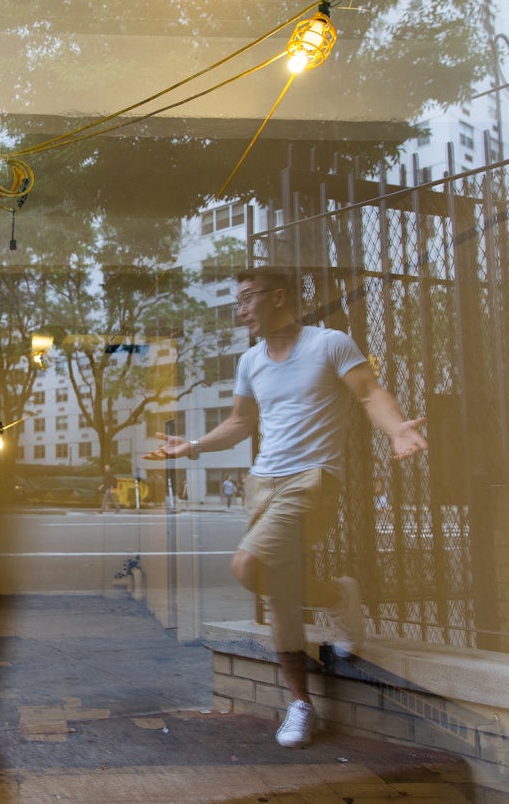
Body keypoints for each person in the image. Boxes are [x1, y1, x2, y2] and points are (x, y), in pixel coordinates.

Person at [144, 267, 426, 749]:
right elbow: (240, 421)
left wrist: (397, 428)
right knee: (277, 591)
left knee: (248, 565)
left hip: (313, 479)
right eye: (238, 300)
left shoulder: (330, 343)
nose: (241, 310)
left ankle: (336, 601)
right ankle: (302, 699)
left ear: (279, 297)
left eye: (248, 298)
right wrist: (192, 446)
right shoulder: (250, 361)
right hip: (262, 483)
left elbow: (369, 392)